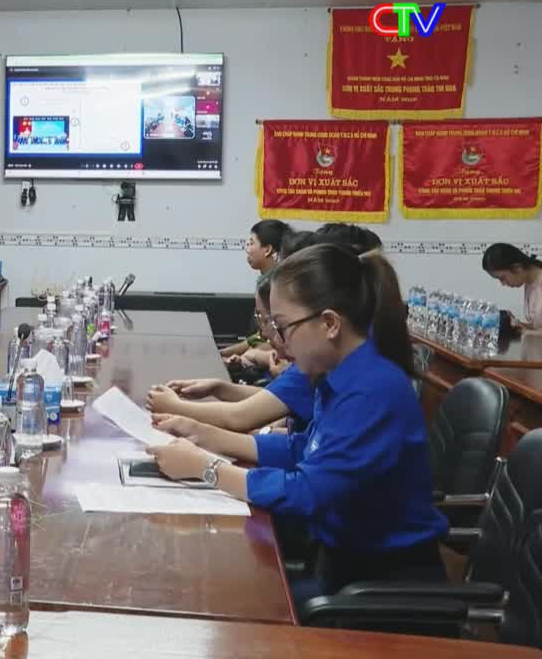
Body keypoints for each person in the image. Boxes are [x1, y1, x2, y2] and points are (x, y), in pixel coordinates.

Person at [147, 244, 448, 604]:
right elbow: (302, 448)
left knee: (221, 599)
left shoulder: (372, 391)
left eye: (282, 326)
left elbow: (307, 492)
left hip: (380, 591)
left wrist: (206, 468)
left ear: (330, 324)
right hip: (340, 566)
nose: (277, 340)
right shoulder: (339, 373)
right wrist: (203, 435)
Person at [147, 272, 312, 433]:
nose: (263, 334)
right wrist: (218, 388)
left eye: (268, 320)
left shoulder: (309, 369)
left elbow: (238, 417)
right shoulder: (304, 366)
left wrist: (174, 407)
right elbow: (271, 396)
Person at [219, 220, 290, 359]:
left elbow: (273, 339)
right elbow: (260, 337)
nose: (247, 249)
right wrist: (226, 352)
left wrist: (243, 357)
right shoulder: (265, 283)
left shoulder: (278, 288)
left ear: (268, 250)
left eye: (251, 243)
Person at [482, 242, 542, 331]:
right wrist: (520, 325)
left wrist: (525, 331)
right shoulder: (530, 283)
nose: (503, 284)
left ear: (517, 268)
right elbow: (538, 326)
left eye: (502, 278)